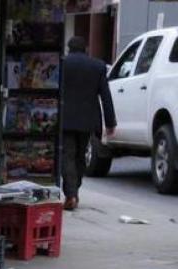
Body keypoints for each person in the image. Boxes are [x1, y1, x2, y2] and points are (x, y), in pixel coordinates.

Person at [60, 35, 116, 210]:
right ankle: (74, 191)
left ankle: (71, 194)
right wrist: (110, 122)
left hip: (66, 118)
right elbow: (105, 96)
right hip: (88, 120)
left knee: (67, 156)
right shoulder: (98, 66)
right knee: (80, 156)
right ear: (86, 48)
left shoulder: (63, 64)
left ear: (69, 48)